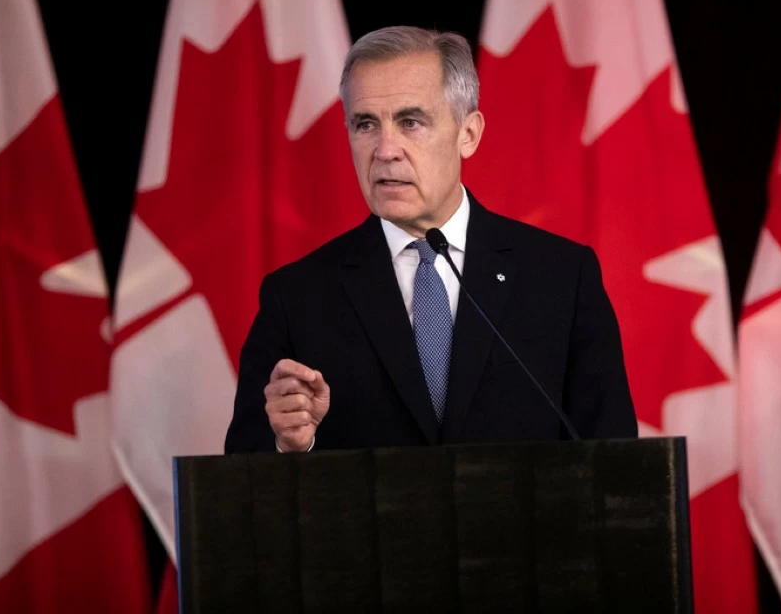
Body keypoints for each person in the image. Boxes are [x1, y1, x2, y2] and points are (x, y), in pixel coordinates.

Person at [223, 26, 636, 454]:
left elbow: (616, 461)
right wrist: (290, 446)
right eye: (366, 124)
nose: (385, 150)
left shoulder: (562, 278)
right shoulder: (297, 298)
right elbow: (241, 473)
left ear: (468, 134)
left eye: (411, 122)